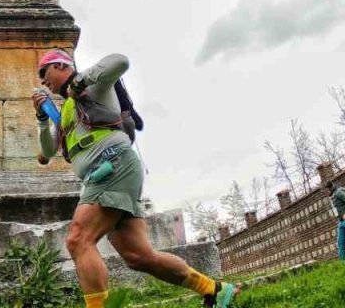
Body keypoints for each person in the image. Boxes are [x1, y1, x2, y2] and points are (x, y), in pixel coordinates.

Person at [32, 48, 238, 308]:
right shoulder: (65, 110)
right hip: (107, 173)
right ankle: (214, 289)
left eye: (44, 71)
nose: (43, 80)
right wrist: (42, 119)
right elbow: (47, 151)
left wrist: (81, 80)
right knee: (138, 256)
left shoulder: (94, 86)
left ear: (61, 66)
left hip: (112, 166)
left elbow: (120, 61)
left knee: (78, 239)